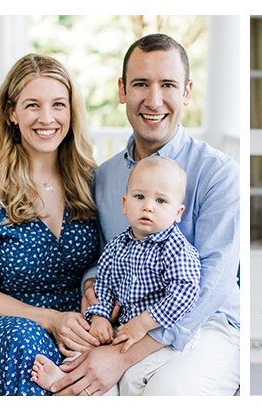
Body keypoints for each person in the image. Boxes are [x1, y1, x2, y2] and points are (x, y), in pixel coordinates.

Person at [47, 33, 241, 396]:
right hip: (124, 322)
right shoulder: (104, 178)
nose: (154, 100)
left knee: (163, 396)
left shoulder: (219, 173)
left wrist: (123, 357)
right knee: (80, 393)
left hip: (207, 324)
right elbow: (105, 255)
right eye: (140, 84)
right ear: (122, 90)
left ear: (186, 91)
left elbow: (213, 284)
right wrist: (93, 289)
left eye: (168, 84)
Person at [0, 54, 103, 396]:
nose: (47, 118)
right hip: (4, 327)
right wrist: (52, 319)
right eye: (32, 105)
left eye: (58, 105)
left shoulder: (94, 184)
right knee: (25, 342)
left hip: (79, 325)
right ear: (12, 113)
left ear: (71, 112)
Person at [31, 157, 201, 394]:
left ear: (177, 212)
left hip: (159, 334)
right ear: (124, 203)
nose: (148, 207)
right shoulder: (117, 246)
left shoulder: (177, 250)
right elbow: (103, 285)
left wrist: (143, 323)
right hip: (122, 328)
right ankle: (65, 375)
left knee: (137, 378)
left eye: (161, 200)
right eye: (139, 197)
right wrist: (100, 317)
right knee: (87, 352)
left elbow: (184, 294)